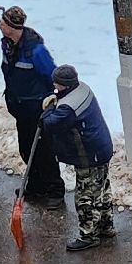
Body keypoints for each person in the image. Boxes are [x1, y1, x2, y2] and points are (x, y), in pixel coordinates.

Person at [39, 64, 115, 252]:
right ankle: (106, 226)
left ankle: (88, 235)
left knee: (85, 195)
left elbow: (47, 123)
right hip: (101, 148)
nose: (54, 85)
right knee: (101, 188)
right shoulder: (83, 88)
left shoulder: (68, 108)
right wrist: (57, 98)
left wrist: (49, 108)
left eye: (56, 84)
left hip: (88, 154)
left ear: (65, 84)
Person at [0, 6, 63, 208]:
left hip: (37, 109)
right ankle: (36, 185)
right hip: (20, 108)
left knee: (44, 151)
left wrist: (52, 100)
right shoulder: (7, 44)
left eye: (4, 23)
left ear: (12, 27)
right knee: (26, 149)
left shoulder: (35, 50)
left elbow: (52, 76)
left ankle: (55, 190)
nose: (0, 25)